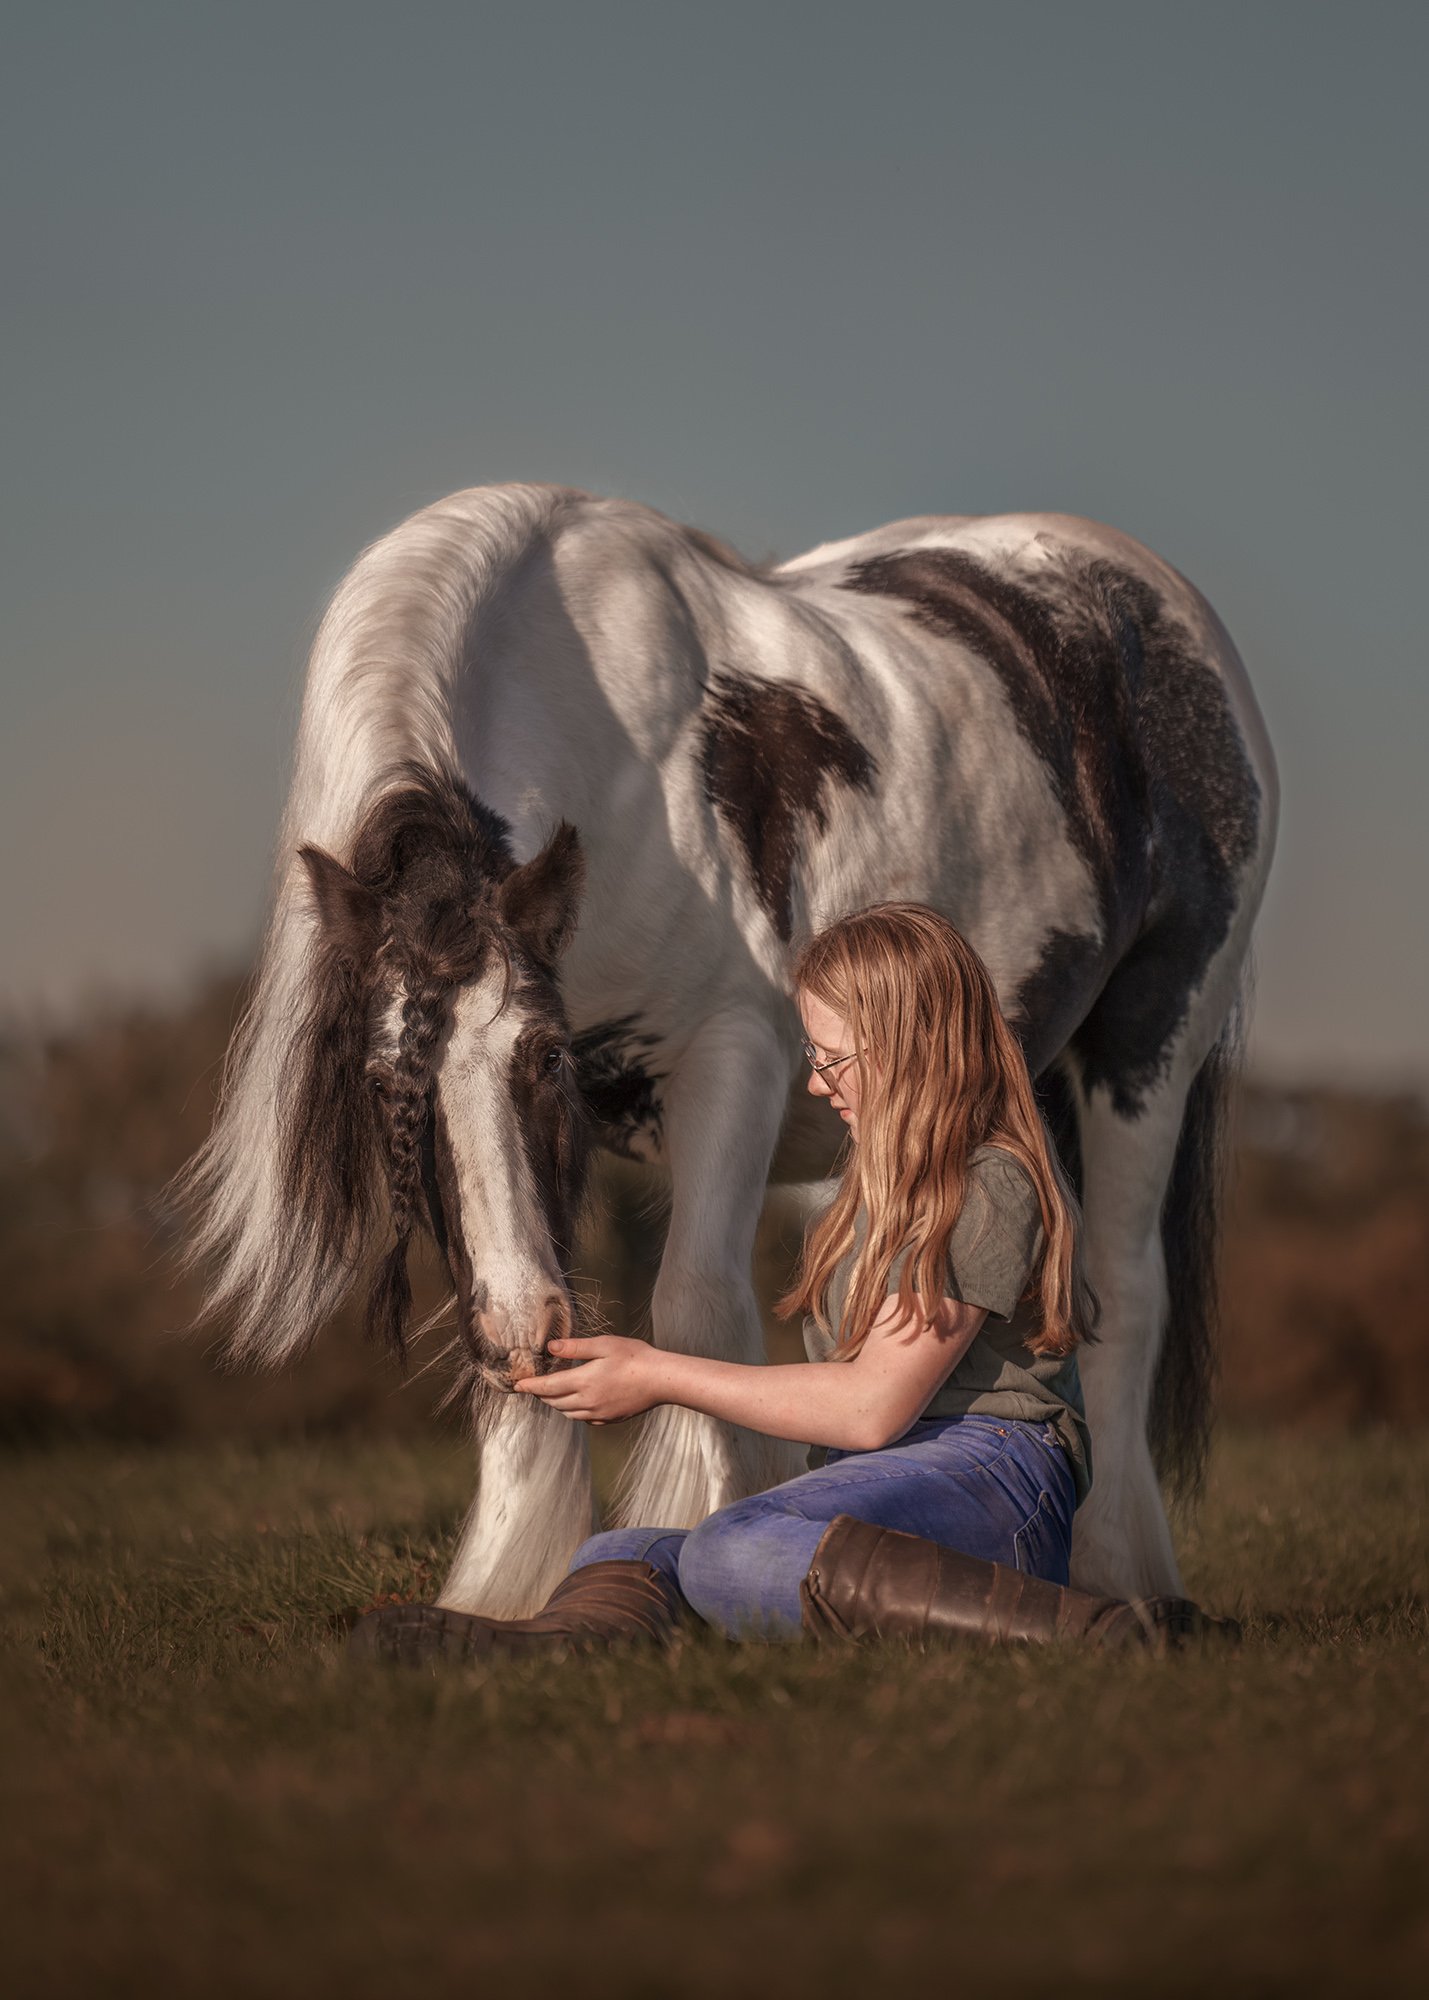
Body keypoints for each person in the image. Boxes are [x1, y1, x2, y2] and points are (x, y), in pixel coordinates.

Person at [351, 904, 1230, 1665]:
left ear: (912, 1047)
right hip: (901, 1477)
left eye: (834, 1059)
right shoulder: (873, 1190)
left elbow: (870, 1410)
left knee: (732, 1548)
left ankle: (1103, 1633)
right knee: (629, 1550)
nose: (815, 1084)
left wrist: (658, 1375)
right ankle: (547, 1654)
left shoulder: (987, 1182)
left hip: (996, 1475)